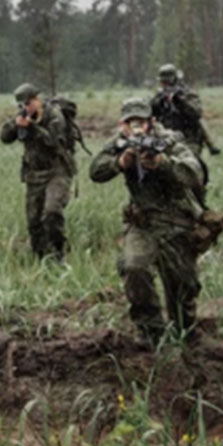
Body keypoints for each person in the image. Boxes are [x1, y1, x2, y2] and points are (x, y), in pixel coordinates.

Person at [89, 97, 208, 348]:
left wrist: (163, 163)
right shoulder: (121, 143)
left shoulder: (170, 140)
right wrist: (120, 163)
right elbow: (95, 171)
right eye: (130, 122)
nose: (136, 128)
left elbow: (195, 173)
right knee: (134, 267)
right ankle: (150, 331)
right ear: (123, 124)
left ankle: (185, 331)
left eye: (141, 122)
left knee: (182, 287)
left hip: (177, 222)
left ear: (151, 122)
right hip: (143, 223)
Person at [0, 83, 75, 261]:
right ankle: (40, 257)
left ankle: (58, 253)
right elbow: (4, 137)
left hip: (57, 171)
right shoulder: (23, 115)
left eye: (28, 103)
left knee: (51, 211)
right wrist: (16, 125)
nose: (25, 108)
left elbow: (54, 142)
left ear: (36, 99)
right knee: (34, 221)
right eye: (22, 105)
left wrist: (32, 128)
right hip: (34, 173)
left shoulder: (54, 116)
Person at [150, 64, 218, 158]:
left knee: (189, 163)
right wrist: (159, 101)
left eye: (166, 82)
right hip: (167, 137)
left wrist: (179, 101)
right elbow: (151, 113)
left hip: (189, 138)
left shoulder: (187, 94)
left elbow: (196, 114)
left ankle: (211, 146)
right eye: (163, 82)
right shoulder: (160, 94)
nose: (164, 84)